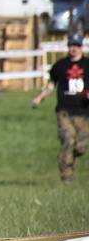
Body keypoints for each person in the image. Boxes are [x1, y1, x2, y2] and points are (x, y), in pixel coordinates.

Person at [31, 33, 89, 182]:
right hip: (64, 112)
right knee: (68, 140)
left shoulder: (87, 65)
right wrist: (40, 98)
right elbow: (51, 85)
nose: (74, 49)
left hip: (84, 113)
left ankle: (66, 156)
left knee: (81, 146)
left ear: (81, 47)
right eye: (71, 46)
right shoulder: (60, 66)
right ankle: (66, 175)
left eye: (76, 46)